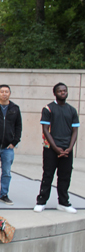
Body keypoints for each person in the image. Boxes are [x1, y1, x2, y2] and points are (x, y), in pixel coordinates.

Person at [34, 83, 80, 214]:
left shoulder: (72, 110)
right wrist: (55, 148)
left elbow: (75, 131)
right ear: (55, 93)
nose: (63, 93)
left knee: (65, 176)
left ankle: (63, 203)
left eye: (65, 91)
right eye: (60, 91)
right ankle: (41, 201)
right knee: (48, 175)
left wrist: (69, 148)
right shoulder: (48, 109)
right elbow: (45, 130)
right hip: (51, 149)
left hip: (67, 149)